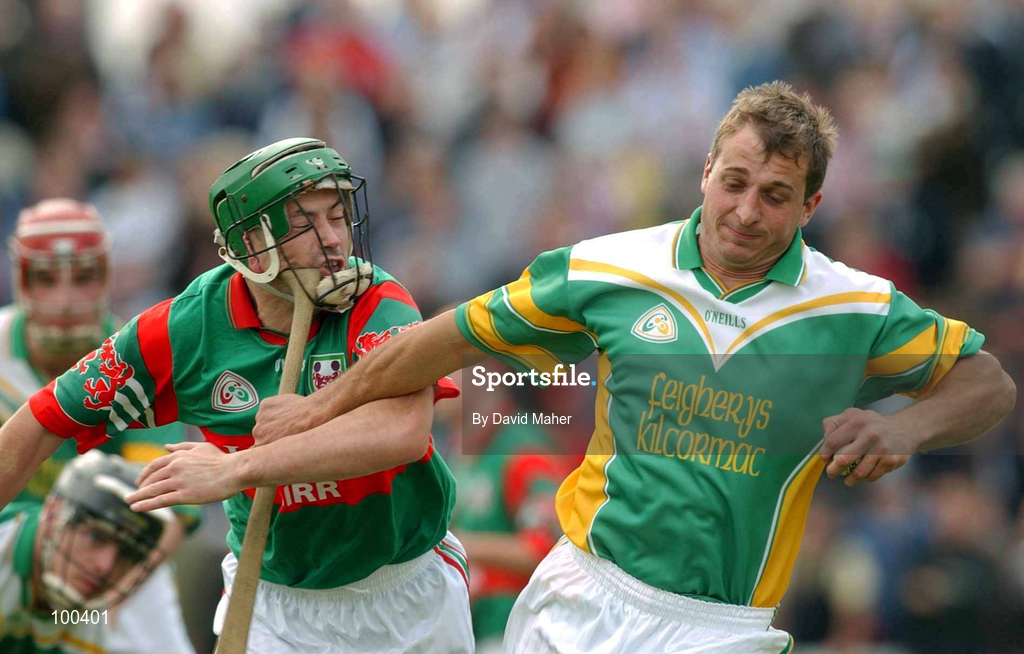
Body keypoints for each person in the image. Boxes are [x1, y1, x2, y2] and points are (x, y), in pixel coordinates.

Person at [132, 83, 1015, 653]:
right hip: (583, 592)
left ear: (813, 203)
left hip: (720, 625)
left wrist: (903, 426)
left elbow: (987, 385)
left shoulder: (853, 307)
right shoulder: (607, 269)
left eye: (776, 195)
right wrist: (318, 413)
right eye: (733, 181)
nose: (746, 210)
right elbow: (442, 343)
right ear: (705, 170)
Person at [0, 138, 473, 654]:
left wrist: (237, 468)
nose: (334, 239)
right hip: (275, 603)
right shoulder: (183, 330)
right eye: (304, 223)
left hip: (405, 587)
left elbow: (401, 432)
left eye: (338, 217)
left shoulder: (379, 303)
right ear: (249, 242)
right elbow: (42, 420)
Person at [0, 198, 199, 654]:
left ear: (108, 278)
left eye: (85, 277)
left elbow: (166, 506)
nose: (66, 299)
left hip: (105, 562)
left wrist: (107, 596)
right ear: (20, 281)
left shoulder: (137, 357)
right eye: (47, 279)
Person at [0, 450, 174, 654]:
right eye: (96, 537)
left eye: (127, 554)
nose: (106, 566)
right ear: (53, 514)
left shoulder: (88, 611)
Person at [446, 369, 567, 653]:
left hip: (516, 634)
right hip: (472, 632)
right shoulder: (458, 451)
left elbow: (548, 548)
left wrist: (453, 545)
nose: (431, 378)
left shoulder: (523, 446)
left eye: (446, 365)